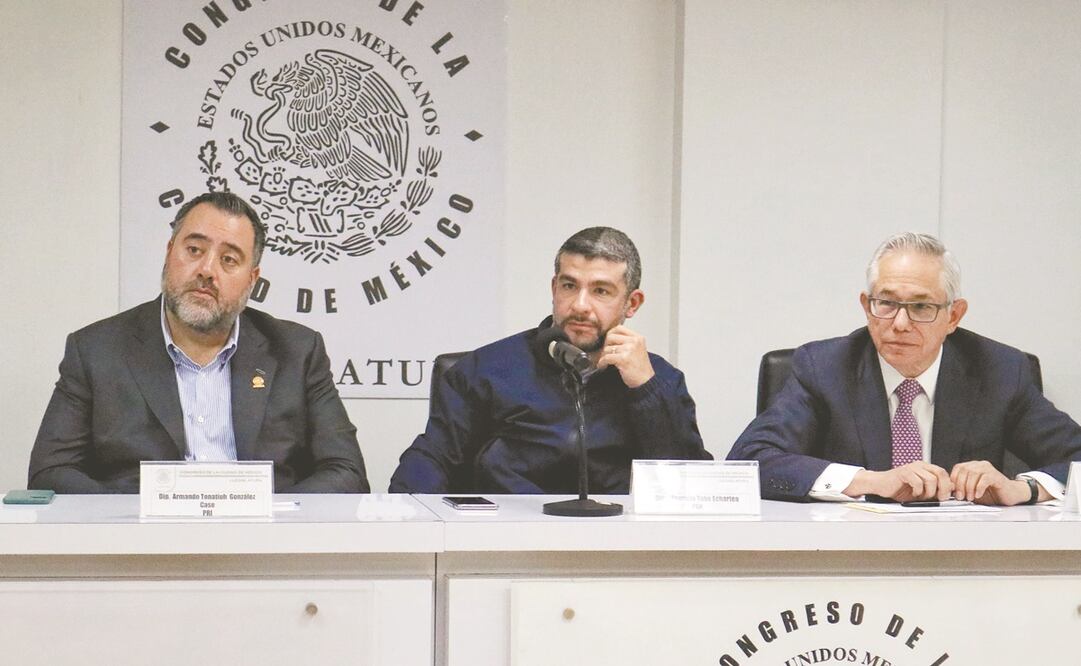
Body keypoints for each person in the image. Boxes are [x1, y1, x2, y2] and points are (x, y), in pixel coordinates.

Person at [29, 192, 369, 493]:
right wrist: (140, 515)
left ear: (252, 279)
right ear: (169, 252)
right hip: (141, 553)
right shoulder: (96, 350)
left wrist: (270, 518)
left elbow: (347, 472)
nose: (207, 269)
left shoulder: (298, 350)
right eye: (194, 249)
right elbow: (50, 472)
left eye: (229, 259)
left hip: (263, 550)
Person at [727, 232, 1081, 505]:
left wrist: (1022, 488)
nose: (899, 323)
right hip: (843, 559)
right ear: (867, 306)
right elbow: (750, 462)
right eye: (886, 303)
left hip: (964, 563)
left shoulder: (999, 371)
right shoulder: (825, 368)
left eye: (921, 307)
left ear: (953, 316)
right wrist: (873, 481)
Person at [390, 226, 710, 493]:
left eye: (601, 291)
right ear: (554, 288)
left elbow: (691, 488)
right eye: (570, 286)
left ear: (632, 303)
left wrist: (646, 391)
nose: (581, 305)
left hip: (617, 548)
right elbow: (430, 461)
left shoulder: (661, 380)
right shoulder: (485, 370)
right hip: (505, 545)